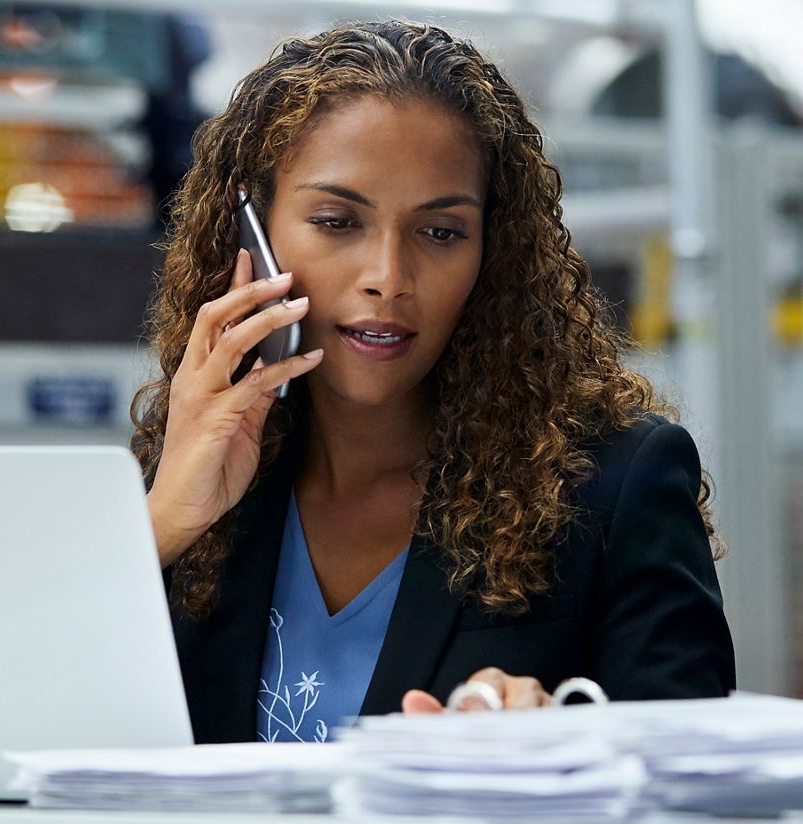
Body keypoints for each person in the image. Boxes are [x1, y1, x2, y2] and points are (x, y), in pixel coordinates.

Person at [131, 20, 735, 745]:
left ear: (494, 252)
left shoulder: (613, 488)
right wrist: (162, 525)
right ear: (252, 238)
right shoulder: (180, 486)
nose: (388, 278)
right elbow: (23, 739)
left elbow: (694, 784)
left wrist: (560, 746)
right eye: (336, 221)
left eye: (440, 232)